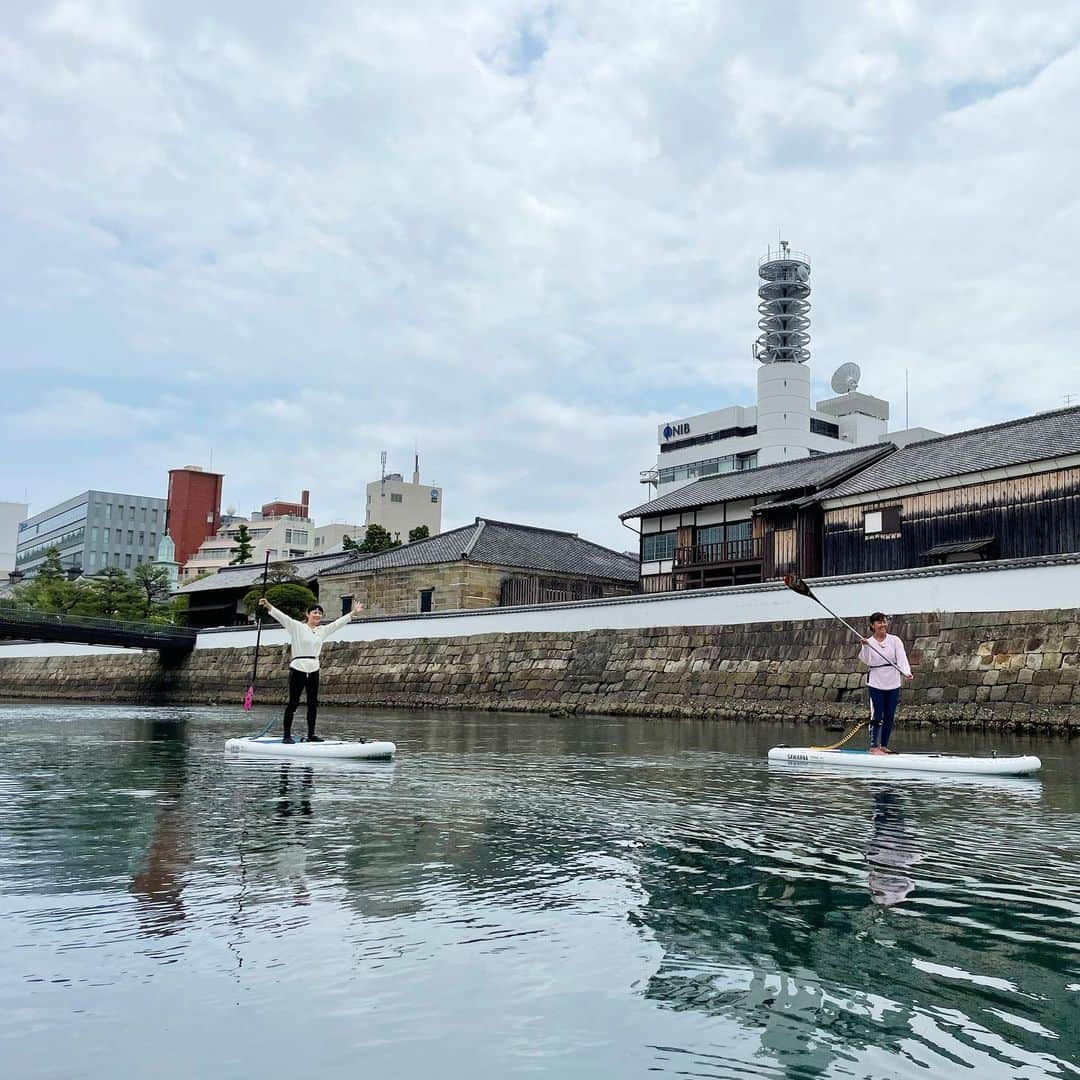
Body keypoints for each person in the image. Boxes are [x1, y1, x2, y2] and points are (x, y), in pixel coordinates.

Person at [258, 597, 363, 743]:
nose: (318, 615)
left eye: (320, 613)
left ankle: (311, 734)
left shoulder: (322, 631)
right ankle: (286, 736)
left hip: (314, 668)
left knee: (312, 704)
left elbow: (337, 624)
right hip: (298, 667)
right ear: (307, 614)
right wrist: (268, 605)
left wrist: (352, 613)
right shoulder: (297, 627)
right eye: (314, 612)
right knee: (293, 703)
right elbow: (282, 617)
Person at [858, 612, 913, 755]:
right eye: (879, 622)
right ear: (872, 625)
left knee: (889, 715)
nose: (882, 625)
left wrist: (906, 672)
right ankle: (873, 747)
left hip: (893, 682)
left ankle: (883, 746)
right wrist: (865, 646)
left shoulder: (895, 640)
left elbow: (902, 658)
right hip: (876, 682)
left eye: (884, 622)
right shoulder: (869, 642)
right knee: (877, 714)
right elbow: (867, 661)